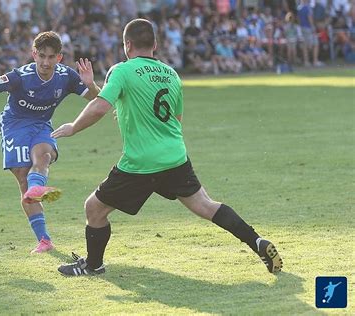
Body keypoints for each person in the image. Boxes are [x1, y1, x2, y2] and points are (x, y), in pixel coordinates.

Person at [51, 19, 283, 276]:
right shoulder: (171, 75)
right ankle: (256, 241)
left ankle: (93, 265)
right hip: (175, 157)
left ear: (127, 45)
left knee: (93, 208)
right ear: (156, 45)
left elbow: (101, 106)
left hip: (141, 162)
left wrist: (73, 126)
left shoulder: (121, 70)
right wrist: (94, 87)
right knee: (206, 205)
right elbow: (173, 118)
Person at [0, 31, 100, 254]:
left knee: (44, 155)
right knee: (23, 179)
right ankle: (44, 239)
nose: (45, 62)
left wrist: (91, 84)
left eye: (51, 57)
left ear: (59, 57)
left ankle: (37, 186)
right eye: (41, 56)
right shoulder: (21, 76)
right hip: (14, 125)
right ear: (34, 54)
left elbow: (98, 99)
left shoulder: (66, 76)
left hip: (41, 124)